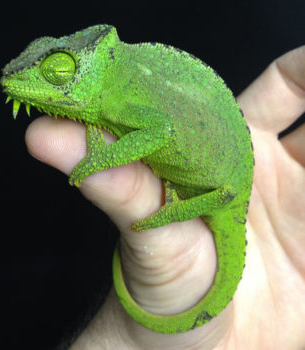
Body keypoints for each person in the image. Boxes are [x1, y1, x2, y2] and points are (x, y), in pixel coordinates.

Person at [25, 46, 305, 350]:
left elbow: (159, 131)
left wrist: (103, 159)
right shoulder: (116, 85)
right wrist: (131, 339)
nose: (50, 81)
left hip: (221, 195)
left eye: (58, 74)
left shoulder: (115, 92)